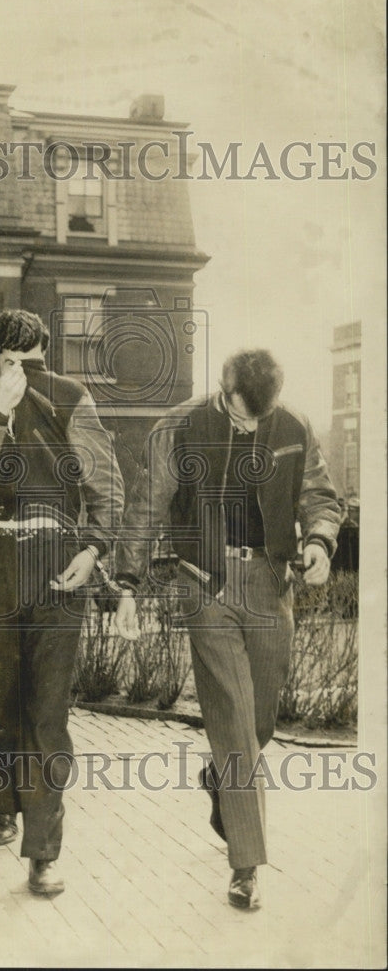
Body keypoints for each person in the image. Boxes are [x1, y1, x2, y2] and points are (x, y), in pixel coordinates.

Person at [114, 348, 340, 910]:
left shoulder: (294, 424)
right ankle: (246, 866)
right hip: (204, 582)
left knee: (258, 720)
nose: (249, 427)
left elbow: (320, 495)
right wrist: (125, 584)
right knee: (235, 724)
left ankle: (220, 776)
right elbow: (146, 506)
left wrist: (318, 542)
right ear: (223, 390)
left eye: (257, 420)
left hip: (270, 581)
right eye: (240, 417)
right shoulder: (183, 425)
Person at [0, 309, 124, 895]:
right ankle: (3, 801)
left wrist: (94, 549)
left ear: (49, 352)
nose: (29, 373)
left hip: (57, 566)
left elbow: (104, 484)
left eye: (36, 362)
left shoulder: (72, 397)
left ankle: (44, 850)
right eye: (14, 362)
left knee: (48, 713)